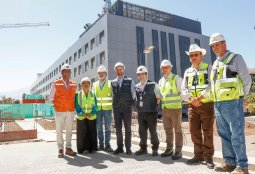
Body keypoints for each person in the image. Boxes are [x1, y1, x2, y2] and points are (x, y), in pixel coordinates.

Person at [209, 33, 252, 174]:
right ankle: (230, 163)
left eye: (217, 44)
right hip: (218, 104)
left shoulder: (236, 58)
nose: (215, 47)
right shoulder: (215, 63)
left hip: (233, 102)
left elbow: (247, 80)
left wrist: (242, 97)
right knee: (224, 134)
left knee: (236, 134)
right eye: (212, 45)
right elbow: (213, 85)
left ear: (224, 43)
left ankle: (242, 166)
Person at [181, 44, 215, 169]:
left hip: (206, 105)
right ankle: (198, 155)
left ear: (201, 55)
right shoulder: (187, 71)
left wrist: (199, 98)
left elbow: (212, 86)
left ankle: (208, 158)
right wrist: (191, 99)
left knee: (207, 132)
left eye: (196, 55)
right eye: (191, 55)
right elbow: (183, 89)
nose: (193, 57)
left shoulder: (209, 68)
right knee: (194, 131)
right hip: (192, 106)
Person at [49, 64, 77, 158]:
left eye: (69, 71)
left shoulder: (74, 84)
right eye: (65, 71)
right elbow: (51, 97)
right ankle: (60, 149)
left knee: (69, 130)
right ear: (62, 72)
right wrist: (56, 106)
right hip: (60, 111)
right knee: (59, 130)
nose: (67, 73)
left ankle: (68, 148)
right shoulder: (56, 83)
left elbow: (74, 98)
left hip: (70, 111)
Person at [159, 59, 183, 160]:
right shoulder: (161, 81)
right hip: (165, 109)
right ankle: (169, 149)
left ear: (171, 68)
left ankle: (178, 150)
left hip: (175, 109)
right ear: (161, 69)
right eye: (163, 68)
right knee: (168, 130)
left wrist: (177, 103)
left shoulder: (176, 78)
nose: (165, 69)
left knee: (177, 130)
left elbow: (182, 92)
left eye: (167, 67)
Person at [134, 65, 160, 156]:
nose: (141, 76)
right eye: (139, 74)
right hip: (141, 113)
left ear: (146, 74)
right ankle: (143, 148)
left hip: (151, 112)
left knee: (152, 131)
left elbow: (158, 98)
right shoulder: (136, 86)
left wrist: (152, 106)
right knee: (141, 131)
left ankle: (155, 149)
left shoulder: (153, 84)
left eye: (142, 74)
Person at [111, 62, 136, 155]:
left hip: (126, 108)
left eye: (121, 69)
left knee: (128, 128)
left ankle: (128, 148)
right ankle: (120, 147)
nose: (119, 71)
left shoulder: (130, 81)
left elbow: (133, 93)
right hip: (117, 108)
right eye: (117, 70)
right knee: (118, 128)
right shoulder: (113, 82)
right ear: (115, 71)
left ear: (123, 70)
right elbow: (112, 95)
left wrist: (134, 106)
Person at [92, 65, 113, 152]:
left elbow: (114, 96)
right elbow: (93, 97)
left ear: (106, 74)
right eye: (99, 73)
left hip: (107, 109)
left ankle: (107, 144)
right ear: (97, 74)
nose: (101, 74)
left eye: (102, 73)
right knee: (99, 128)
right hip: (98, 110)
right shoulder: (94, 84)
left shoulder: (110, 83)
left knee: (108, 127)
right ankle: (101, 144)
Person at [75, 77, 98, 154]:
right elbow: (77, 106)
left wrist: (91, 113)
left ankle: (93, 148)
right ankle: (83, 149)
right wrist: (83, 114)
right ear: (81, 85)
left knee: (92, 133)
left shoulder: (93, 94)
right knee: (82, 134)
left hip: (91, 117)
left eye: (87, 83)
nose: (86, 84)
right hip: (81, 117)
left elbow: (96, 106)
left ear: (90, 84)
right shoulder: (78, 94)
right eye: (84, 83)